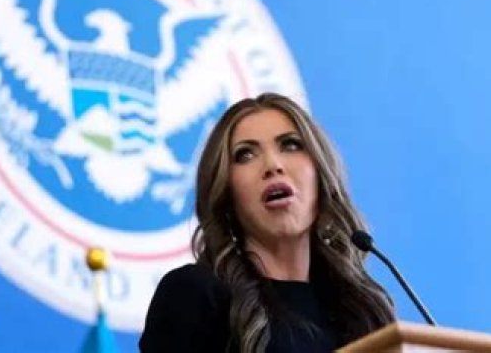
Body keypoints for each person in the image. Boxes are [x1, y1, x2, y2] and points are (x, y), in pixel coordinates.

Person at [139, 93, 395, 353]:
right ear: (226, 193)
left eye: (290, 145)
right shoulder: (194, 294)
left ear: (321, 175)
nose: (273, 165)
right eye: (245, 155)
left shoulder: (365, 311)